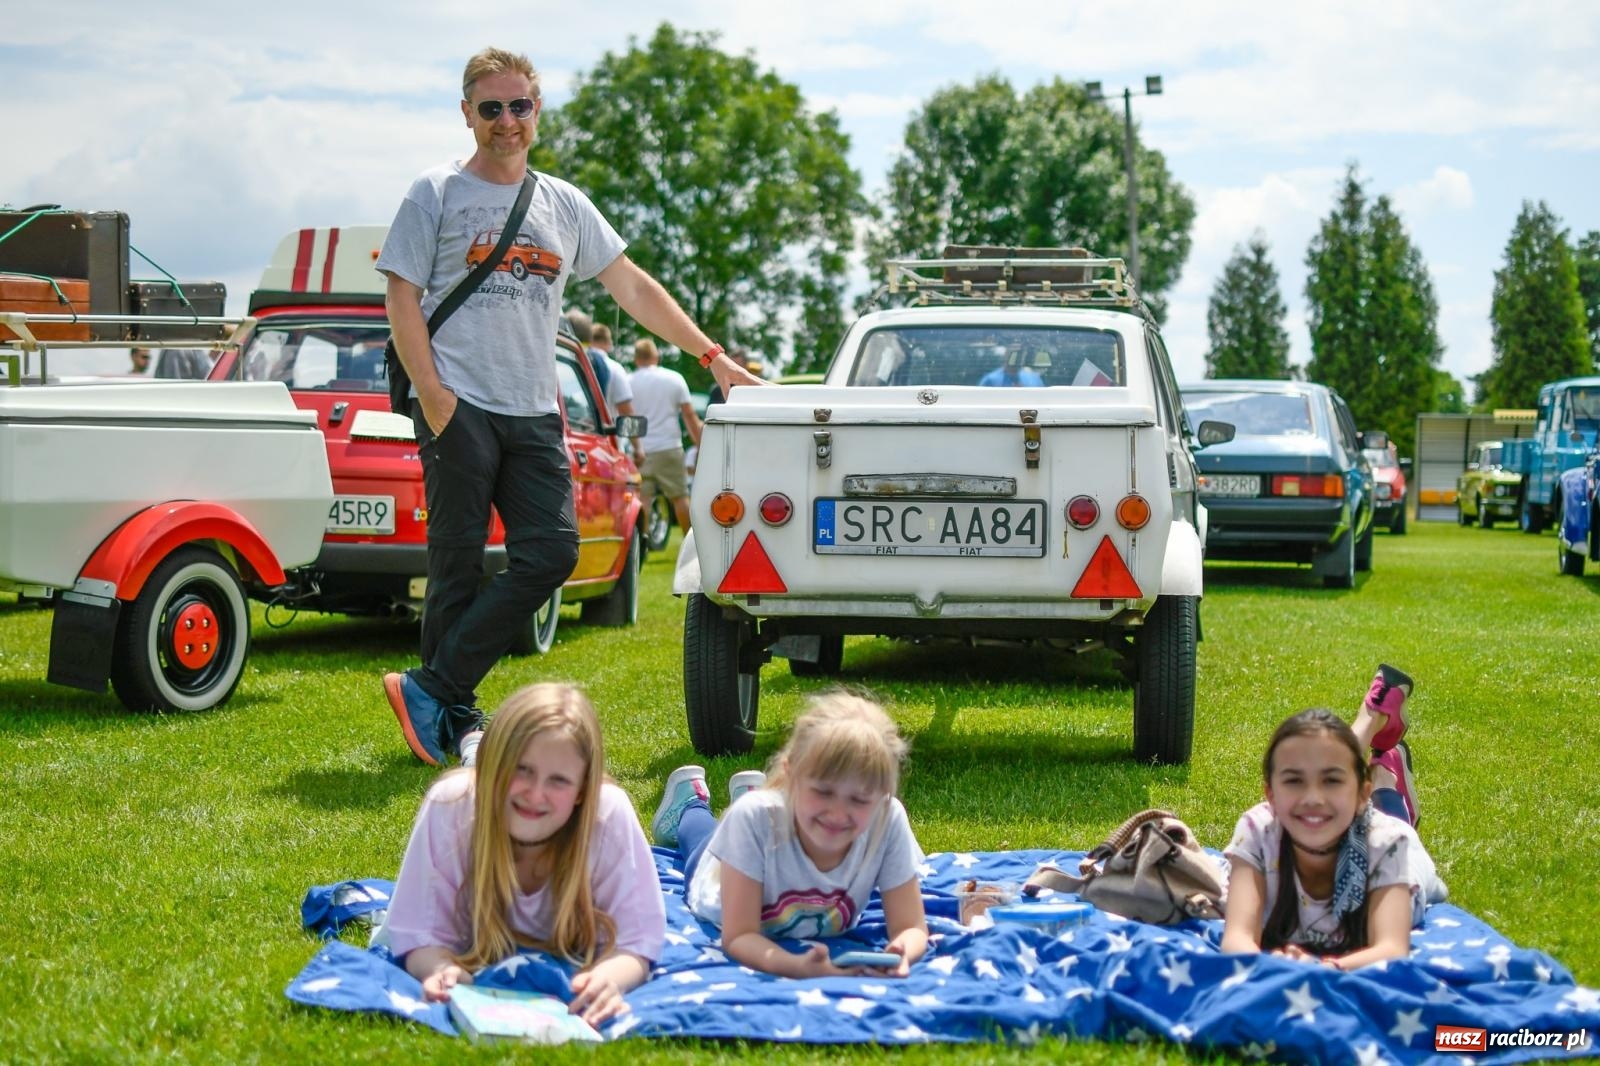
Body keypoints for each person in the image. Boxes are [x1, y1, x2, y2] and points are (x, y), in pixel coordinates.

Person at [376, 46, 762, 767]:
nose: (505, 121)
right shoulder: (435, 192)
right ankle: (449, 714)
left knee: (551, 552)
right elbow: (400, 294)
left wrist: (714, 358)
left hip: (533, 410)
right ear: (467, 114)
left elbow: (635, 288)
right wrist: (433, 396)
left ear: (537, 111)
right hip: (458, 404)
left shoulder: (562, 203)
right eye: (490, 108)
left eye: (518, 106)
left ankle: (431, 685)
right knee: (455, 563)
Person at [373, 683, 666, 1025]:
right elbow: (418, 932)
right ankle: (473, 747)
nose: (535, 794)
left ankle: (688, 810)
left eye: (558, 781)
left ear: (582, 791)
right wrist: (439, 968)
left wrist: (609, 979)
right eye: (521, 770)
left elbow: (639, 941)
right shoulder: (450, 808)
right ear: (494, 766)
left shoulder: (608, 815)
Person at [649, 691, 930, 979]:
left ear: (883, 794)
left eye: (859, 800)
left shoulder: (885, 818)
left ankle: (749, 797)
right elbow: (739, 936)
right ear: (791, 775)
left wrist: (901, 953)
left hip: (760, 826)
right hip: (720, 887)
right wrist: (796, 967)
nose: (837, 813)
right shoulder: (754, 819)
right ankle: (689, 805)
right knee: (701, 840)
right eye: (823, 792)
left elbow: (911, 927)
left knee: (748, 819)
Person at [1220, 665, 1447, 971]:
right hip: (1352, 811)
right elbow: (1237, 939)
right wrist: (1272, 968)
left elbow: (1391, 948)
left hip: (1387, 841)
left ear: (1362, 794)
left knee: (1395, 825)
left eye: (1331, 781)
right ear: (1270, 795)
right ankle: (1377, 745)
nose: (1313, 798)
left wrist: (1320, 971)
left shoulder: (1391, 842)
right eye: (1294, 781)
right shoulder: (1257, 830)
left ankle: (1386, 781)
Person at [628, 337, 702, 535]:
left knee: (642, 500)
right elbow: (689, 415)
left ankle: (641, 546)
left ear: (636, 359)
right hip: (669, 447)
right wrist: (699, 443)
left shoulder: (628, 381)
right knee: (680, 497)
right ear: (656, 356)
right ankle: (690, 543)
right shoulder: (674, 378)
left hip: (640, 450)